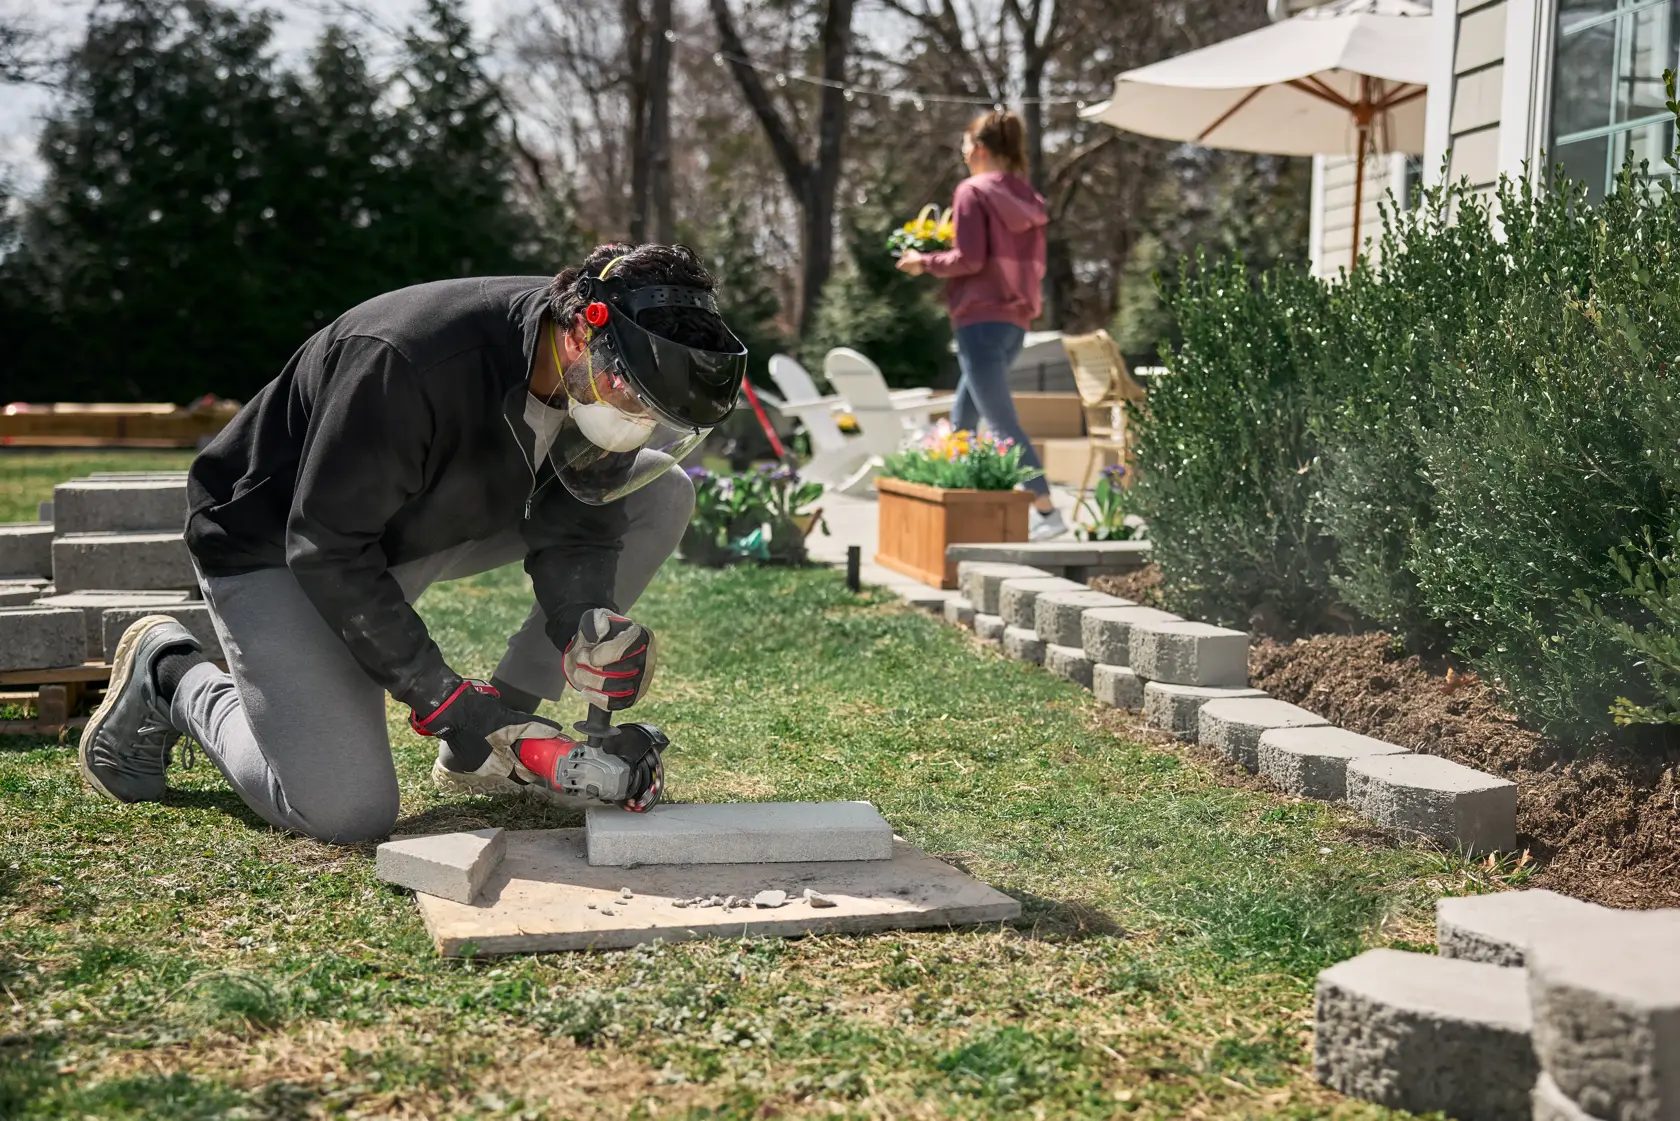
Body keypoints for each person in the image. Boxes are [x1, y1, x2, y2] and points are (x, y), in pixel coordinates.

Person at [76, 243, 748, 844]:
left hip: (424, 520)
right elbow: (328, 546)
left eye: (652, 410)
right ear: (579, 332)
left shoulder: (600, 369)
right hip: (281, 547)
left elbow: (580, 522)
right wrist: (447, 701)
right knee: (345, 810)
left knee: (661, 491)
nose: (636, 418)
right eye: (631, 395)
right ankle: (172, 676)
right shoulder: (407, 360)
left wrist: (584, 621)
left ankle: (498, 739)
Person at [897, 109, 1063, 540]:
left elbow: (969, 259)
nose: (963, 153)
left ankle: (1047, 511)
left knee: (1001, 423)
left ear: (982, 149)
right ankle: (959, 509)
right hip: (1014, 323)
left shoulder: (972, 192)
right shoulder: (1027, 198)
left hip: (979, 320)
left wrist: (923, 262)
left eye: (966, 145)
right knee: (964, 419)